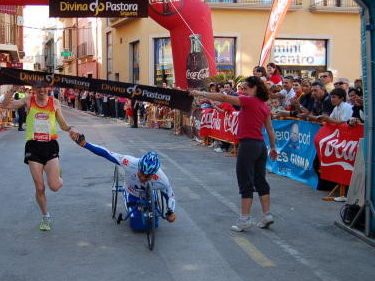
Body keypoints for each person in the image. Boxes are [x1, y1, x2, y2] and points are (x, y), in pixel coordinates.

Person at [191, 76, 277, 232]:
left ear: (254, 88)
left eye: (246, 88)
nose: (242, 91)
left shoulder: (249, 101)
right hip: (260, 145)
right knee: (260, 181)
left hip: (248, 145)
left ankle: (244, 219)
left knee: (246, 182)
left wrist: (200, 92)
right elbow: (270, 129)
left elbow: (224, 97)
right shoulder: (265, 107)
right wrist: (273, 148)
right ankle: (266, 215)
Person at [1, 81, 79, 231]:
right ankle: (45, 216)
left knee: (55, 186)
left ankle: (57, 175)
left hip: (50, 146)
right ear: (34, 89)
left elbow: (62, 124)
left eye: (44, 87)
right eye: (38, 87)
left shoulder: (54, 102)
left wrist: (71, 129)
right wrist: (13, 89)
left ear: (48, 88)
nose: (42, 90)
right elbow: (5, 105)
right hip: (33, 147)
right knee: (40, 187)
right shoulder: (28, 100)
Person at [74, 135, 176, 228]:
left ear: (154, 173)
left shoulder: (163, 179)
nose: (143, 178)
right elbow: (106, 153)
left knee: (154, 223)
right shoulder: (129, 162)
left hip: (149, 193)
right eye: (142, 173)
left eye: (147, 176)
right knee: (136, 222)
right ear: (139, 166)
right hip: (131, 191)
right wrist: (85, 144)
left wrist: (170, 211)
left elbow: (170, 195)